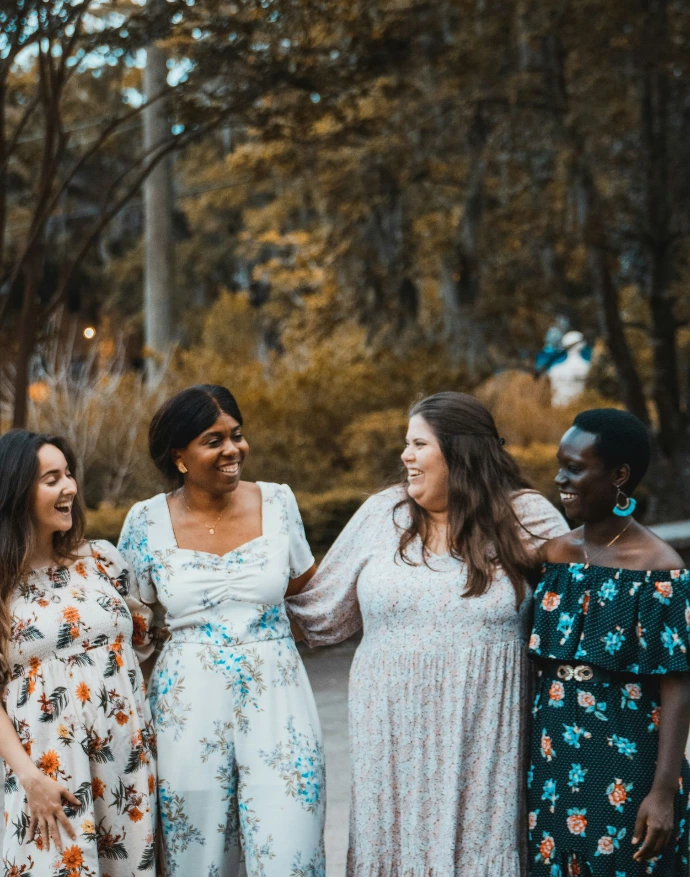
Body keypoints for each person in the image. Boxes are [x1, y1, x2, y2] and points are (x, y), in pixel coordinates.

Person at [287, 391, 568, 877]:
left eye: (418, 444)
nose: (405, 456)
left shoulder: (527, 516)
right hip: (389, 736)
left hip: (482, 738)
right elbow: (320, 612)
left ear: (459, 452)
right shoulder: (383, 513)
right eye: (406, 444)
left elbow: (579, 612)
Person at [117, 384, 325, 877]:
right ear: (180, 456)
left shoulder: (279, 502)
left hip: (279, 700)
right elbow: (134, 622)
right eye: (214, 440)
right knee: (198, 857)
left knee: (289, 852)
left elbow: (304, 589)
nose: (233, 450)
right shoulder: (144, 521)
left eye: (237, 435)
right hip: (186, 711)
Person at [528, 408, 690, 877]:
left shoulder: (659, 567)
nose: (560, 477)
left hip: (628, 759)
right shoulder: (554, 555)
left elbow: (679, 684)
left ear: (619, 475)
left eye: (575, 468)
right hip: (553, 755)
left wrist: (664, 791)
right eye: (560, 464)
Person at [0, 429, 156, 876]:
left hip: (126, 760)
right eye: (51, 479)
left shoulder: (102, 561)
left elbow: (144, 645)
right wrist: (30, 778)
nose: (69, 486)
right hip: (47, 771)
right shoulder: (2, 584)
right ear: (16, 492)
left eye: (68, 474)